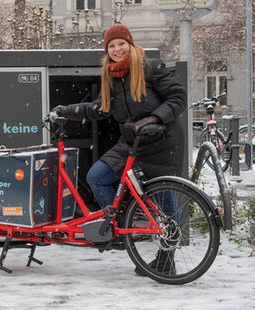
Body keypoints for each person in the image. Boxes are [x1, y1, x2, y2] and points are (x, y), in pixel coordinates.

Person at [53, 24, 186, 275]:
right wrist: (68, 111)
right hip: (131, 143)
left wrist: (156, 118)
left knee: (164, 204)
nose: (116, 49)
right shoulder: (111, 75)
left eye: (121, 44)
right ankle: (119, 224)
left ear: (130, 44)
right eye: (111, 46)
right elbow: (99, 108)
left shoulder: (150, 67)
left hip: (161, 142)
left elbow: (177, 96)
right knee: (97, 177)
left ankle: (166, 257)